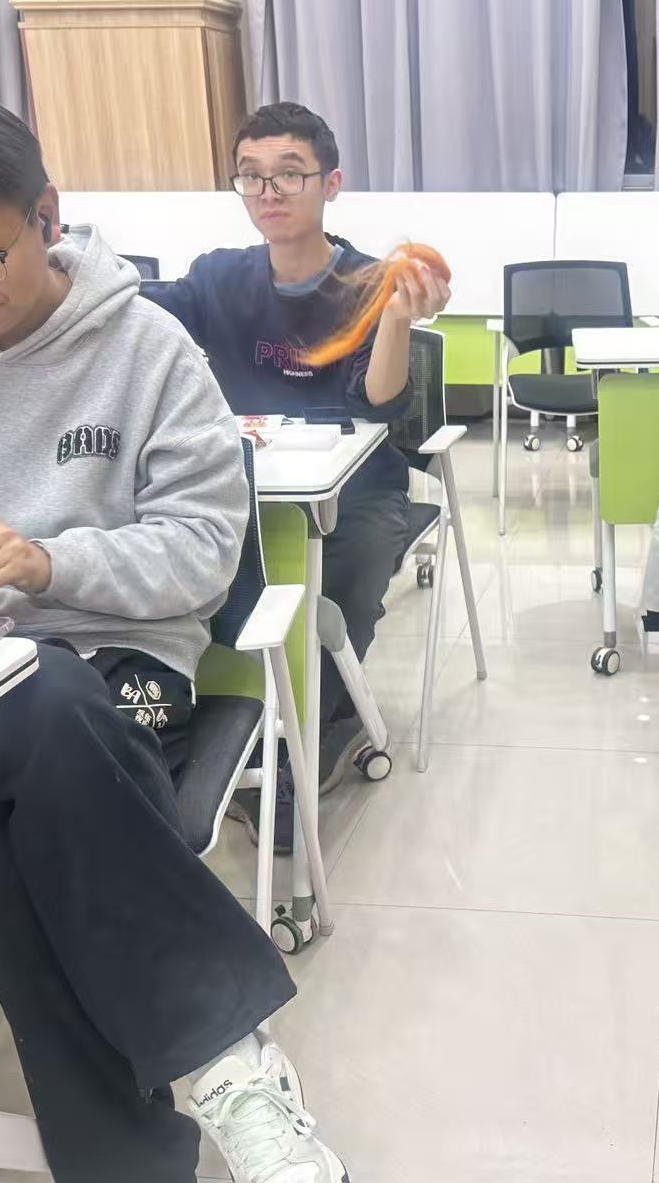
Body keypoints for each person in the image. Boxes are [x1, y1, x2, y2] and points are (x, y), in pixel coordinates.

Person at [0, 93, 347, 1183]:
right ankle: (226, 1058)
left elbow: (202, 551)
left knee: (37, 713)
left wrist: (48, 563)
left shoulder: (147, 351)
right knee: (23, 805)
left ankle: (134, 1158)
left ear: (45, 215)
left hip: (115, 667)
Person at [145, 102, 448, 843]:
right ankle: (213, 718)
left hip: (356, 487)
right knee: (182, 569)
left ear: (330, 184)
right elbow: (144, 319)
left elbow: (379, 406)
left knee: (346, 573)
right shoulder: (216, 278)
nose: (268, 193)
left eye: (288, 174)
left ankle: (320, 730)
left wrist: (396, 320)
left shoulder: (371, 280)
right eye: (250, 177)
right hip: (245, 485)